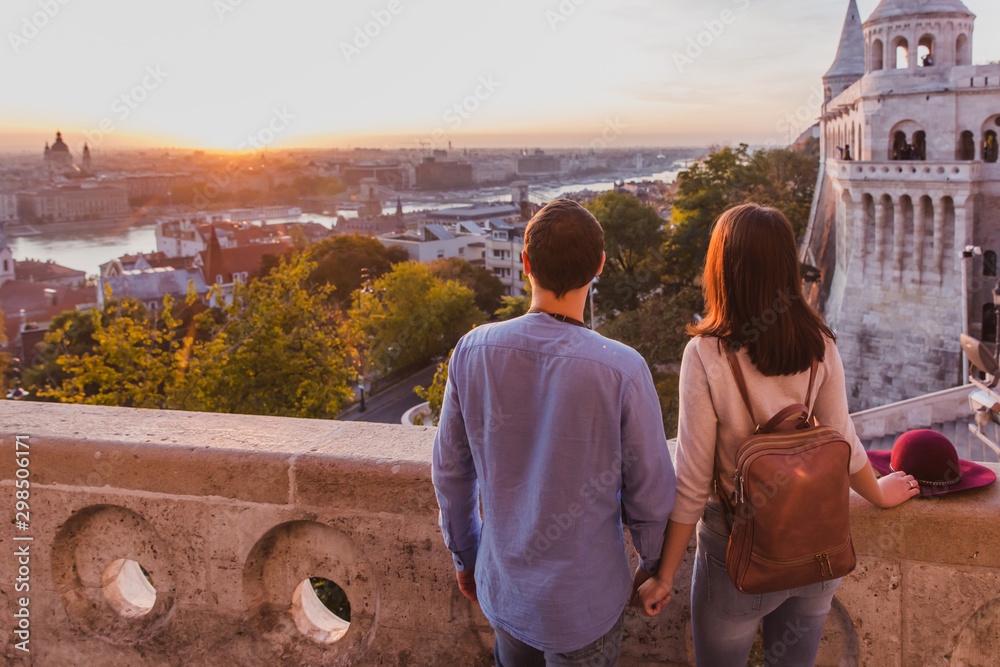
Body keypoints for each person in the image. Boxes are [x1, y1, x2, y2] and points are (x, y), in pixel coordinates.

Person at [634, 203, 918, 666]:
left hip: (739, 552)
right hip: (817, 548)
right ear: (787, 268)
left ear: (722, 270)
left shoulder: (706, 355)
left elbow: (691, 481)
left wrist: (664, 576)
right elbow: (841, 440)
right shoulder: (819, 342)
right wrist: (880, 495)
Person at [433, 198, 676, 666]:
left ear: (526, 263)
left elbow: (451, 474)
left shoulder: (472, 351)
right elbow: (651, 491)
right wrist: (651, 566)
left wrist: (466, 555)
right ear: (600, 266)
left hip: (505, 589)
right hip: (583, 601)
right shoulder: (622, 368)